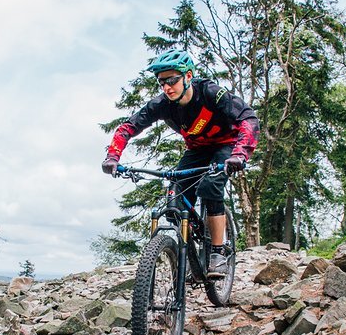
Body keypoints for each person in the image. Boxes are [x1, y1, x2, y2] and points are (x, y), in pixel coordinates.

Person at [102, 49, 259, 277]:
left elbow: (248, 118)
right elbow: (128, 127)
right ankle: (189, 253)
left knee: (210, 187)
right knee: (174, 201)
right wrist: (112, 157)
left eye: (172, 80)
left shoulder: (210, 93)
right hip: (196, 150)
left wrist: (240, 154)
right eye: (161, 82)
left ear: (188, 76)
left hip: (226, 145)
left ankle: (218, 251)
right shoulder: (162, 104)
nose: (166, 87)